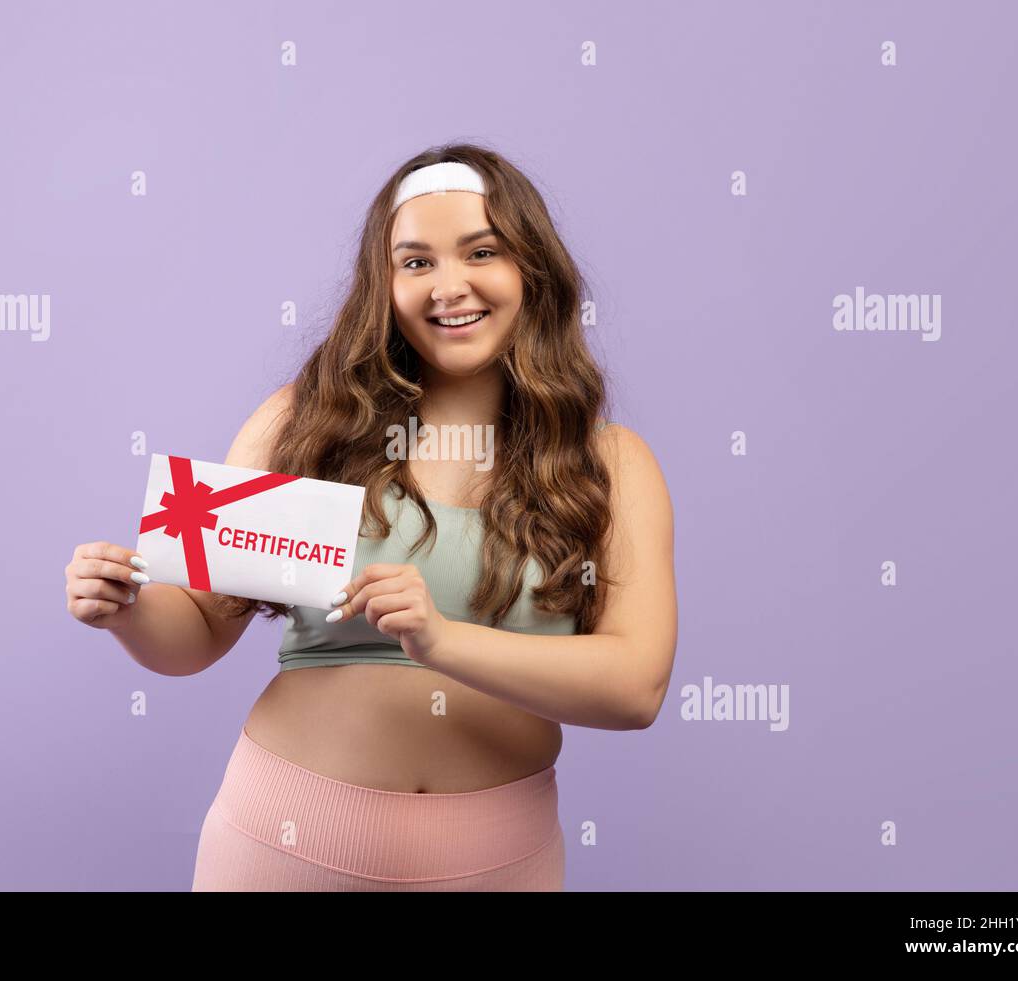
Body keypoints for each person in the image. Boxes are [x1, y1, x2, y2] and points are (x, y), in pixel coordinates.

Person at [63, 144, 678, 891]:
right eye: (415, 262)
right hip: (282, 843)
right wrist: (127, 609)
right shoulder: (308, 423)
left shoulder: (608, 463)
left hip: (498, 863)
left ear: (533, 270)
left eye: (481, 251)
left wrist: (442, 640)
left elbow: (636, 686)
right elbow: (197, 625)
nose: (449, 286)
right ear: (382, 286)